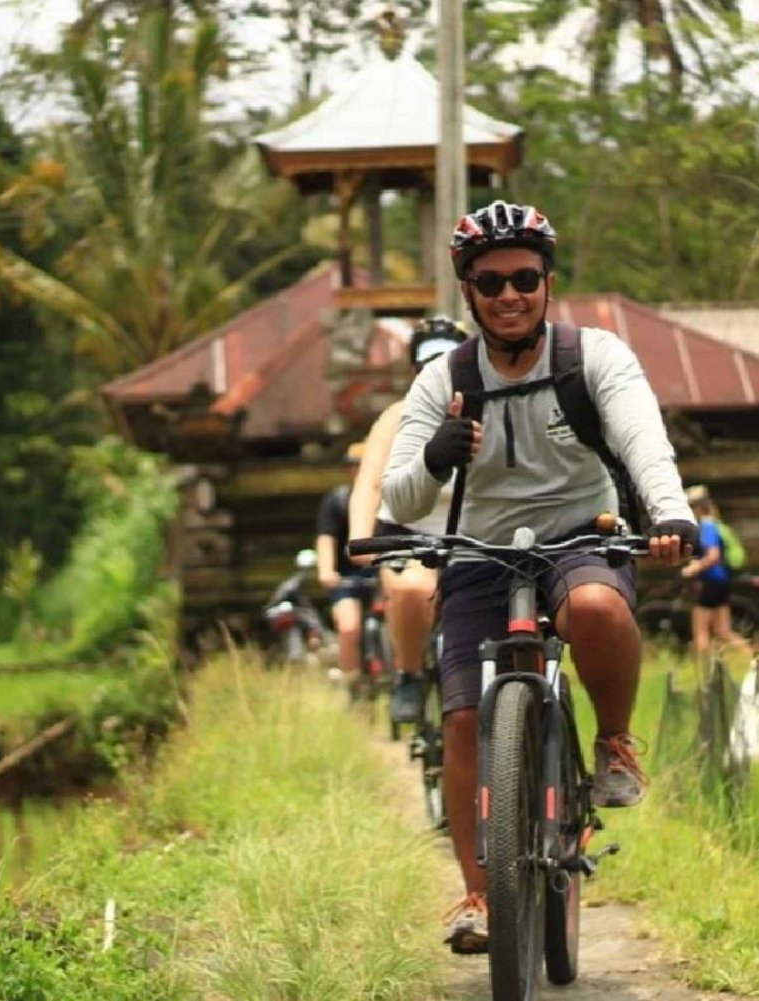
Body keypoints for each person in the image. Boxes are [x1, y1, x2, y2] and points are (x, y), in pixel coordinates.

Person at [381, 200, 697, 954]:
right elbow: (400, 496)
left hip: (580, 538)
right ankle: (478, 896)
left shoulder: (596, 359)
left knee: (593, 606)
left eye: (525, 278)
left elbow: (644, 442)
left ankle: (615, 741)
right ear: (470, 295)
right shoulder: (442, 379)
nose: (510, 295)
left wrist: (670, 513)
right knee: (461, 720)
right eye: (491, 284)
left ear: (549, 282)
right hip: (478, 554)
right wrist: (434, 456)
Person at [349, 316, 468, 725]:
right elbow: (369, 486)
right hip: (410, 533)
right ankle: (410, 673)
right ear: (415, 370)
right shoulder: (396, 417)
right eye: (427, 365)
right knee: (413, 590)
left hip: (476, 532)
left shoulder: (492, 406)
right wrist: (359, 538)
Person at [316, 444, 376, 686]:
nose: (359, 471)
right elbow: (325, 539)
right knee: (349, 627)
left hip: (383, 574)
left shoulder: (390, 500)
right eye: (354, 466)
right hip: (347, 578)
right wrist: (326, 570)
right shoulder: (337, 502)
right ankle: (353, 685)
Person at [679, 485, 751, 661]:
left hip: (711, 582)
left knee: (701, 632)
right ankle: (752, 658)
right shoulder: (715, 524)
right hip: (722, 581)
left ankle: (702, 673)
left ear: (697, 508)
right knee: (723, 631)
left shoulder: (707, 526)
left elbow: (713, 556)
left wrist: (693, 568)